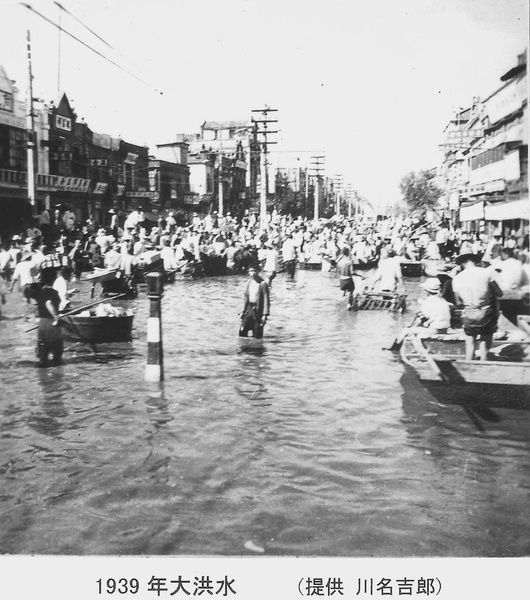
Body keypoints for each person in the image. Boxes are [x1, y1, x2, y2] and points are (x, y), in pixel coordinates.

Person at [452, 251, 503, 361]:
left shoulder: (456, 278)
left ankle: (469, 364)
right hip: (486, 313)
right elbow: (499, 293)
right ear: (475, 260)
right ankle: (483, 364)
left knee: (470, 344)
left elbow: (458, 302)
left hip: (469, 314)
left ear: (462, 263)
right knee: (484, 344)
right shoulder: (487, 273)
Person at [35, 268, 64, 367]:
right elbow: (49, 303)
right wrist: (56, 317)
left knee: (42, 356)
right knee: (57, 356)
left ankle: (43, 378)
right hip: (51, 324)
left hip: (42, 324)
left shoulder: (41, 292)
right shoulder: (52, 292)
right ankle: (58, 379)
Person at [239, 264, 270, 339]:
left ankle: (257, 348)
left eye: (254, 271)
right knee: (242, 331)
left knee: (257, 333)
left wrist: (265, 315)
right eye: (250, 271)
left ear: (258, 271)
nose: (252, 273)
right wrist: (243, 311)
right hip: (249, 309)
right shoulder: (249, 283)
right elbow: (245, 298)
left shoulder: (263, 284)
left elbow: (266, 300)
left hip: (258, 310)